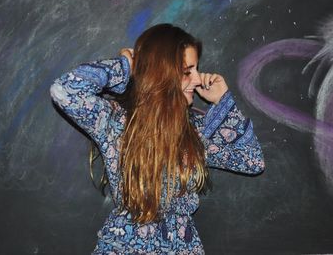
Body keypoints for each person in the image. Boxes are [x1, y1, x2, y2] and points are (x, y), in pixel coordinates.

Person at [50, 23, 265, 254]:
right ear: (161, 71)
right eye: (186, 71)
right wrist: (127, 67)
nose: (197, 79)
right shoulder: (116, 122)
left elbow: (252, 161)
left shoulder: (194, 131)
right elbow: (65, 90)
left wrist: (224, 101)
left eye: (196, 70)